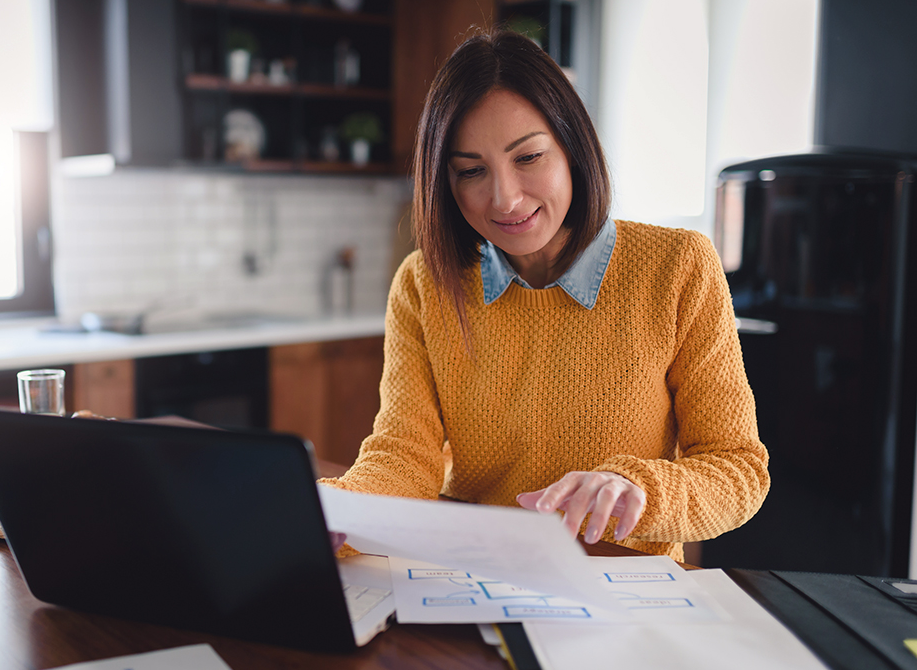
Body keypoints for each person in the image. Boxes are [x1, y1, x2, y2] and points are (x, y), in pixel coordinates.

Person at [320, 29, 769, 562]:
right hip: (471, 577)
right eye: (471, 171)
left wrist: (640, 490)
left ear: (573, 149)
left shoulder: (678, 268)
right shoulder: (424, 285)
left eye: (528, 157)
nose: (505, 197)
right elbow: (403, 457)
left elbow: (736, 468)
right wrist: (328, 509)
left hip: (620, 591)